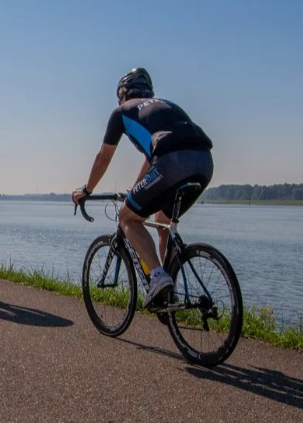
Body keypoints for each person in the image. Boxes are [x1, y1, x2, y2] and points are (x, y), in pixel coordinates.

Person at [72, 68, 214, 307]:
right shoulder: (166, 106)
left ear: (124, 94)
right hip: (204, 162)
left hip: (172, 162)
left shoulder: (121, 112)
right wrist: (138, 190)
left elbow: (103, 158)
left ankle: (158, 277)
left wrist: (87, 190)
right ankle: (171, 293)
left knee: (128, 217)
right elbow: (151, 158)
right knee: (162, 222)